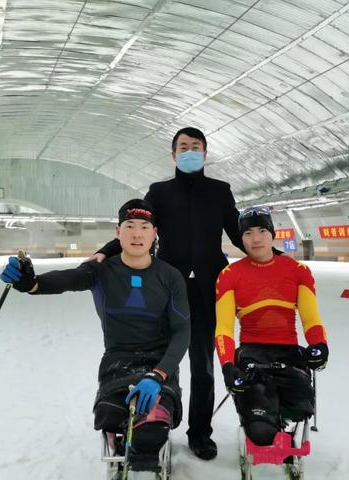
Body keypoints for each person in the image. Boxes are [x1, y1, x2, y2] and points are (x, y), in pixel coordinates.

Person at [0, 199, 190, 473]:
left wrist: (158, 374)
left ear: (154, 233)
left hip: (159, 365)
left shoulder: (170, 276)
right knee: (109, 416)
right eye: (130, 226)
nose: (137, 234)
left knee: (150, 434)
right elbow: (66, 279)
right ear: (118, 232)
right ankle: (120, 438)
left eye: (144, 227)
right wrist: (31, 283)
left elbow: (182, 331)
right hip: (117, 364)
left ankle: (147, 439)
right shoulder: (100, 271)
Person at [89, 127, 245, 460]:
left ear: (205, 153)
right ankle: (150, 420)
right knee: (157, 359)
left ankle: (200, 432)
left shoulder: (220, 191)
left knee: (202, 365)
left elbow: (238, 233)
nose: (190, 152)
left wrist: (272, 255)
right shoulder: (159, 193)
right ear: (173, 155)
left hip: (207, 290)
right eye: (183, 147)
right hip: (165, 289)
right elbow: (138, 228)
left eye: (196, 146)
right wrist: (104, 251)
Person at [214, 206, 329, 448]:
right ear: (241, 238)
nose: (256, 239)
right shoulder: (229, 275)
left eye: (262, 231)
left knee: (299, 408)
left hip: (289, 355)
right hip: (252, 356)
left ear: (272, 234)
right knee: (260, 431)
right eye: (248, 233)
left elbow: (311, 319)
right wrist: (227, 365)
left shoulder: (298, 271)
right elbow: (224, 328)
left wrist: (320, 345)